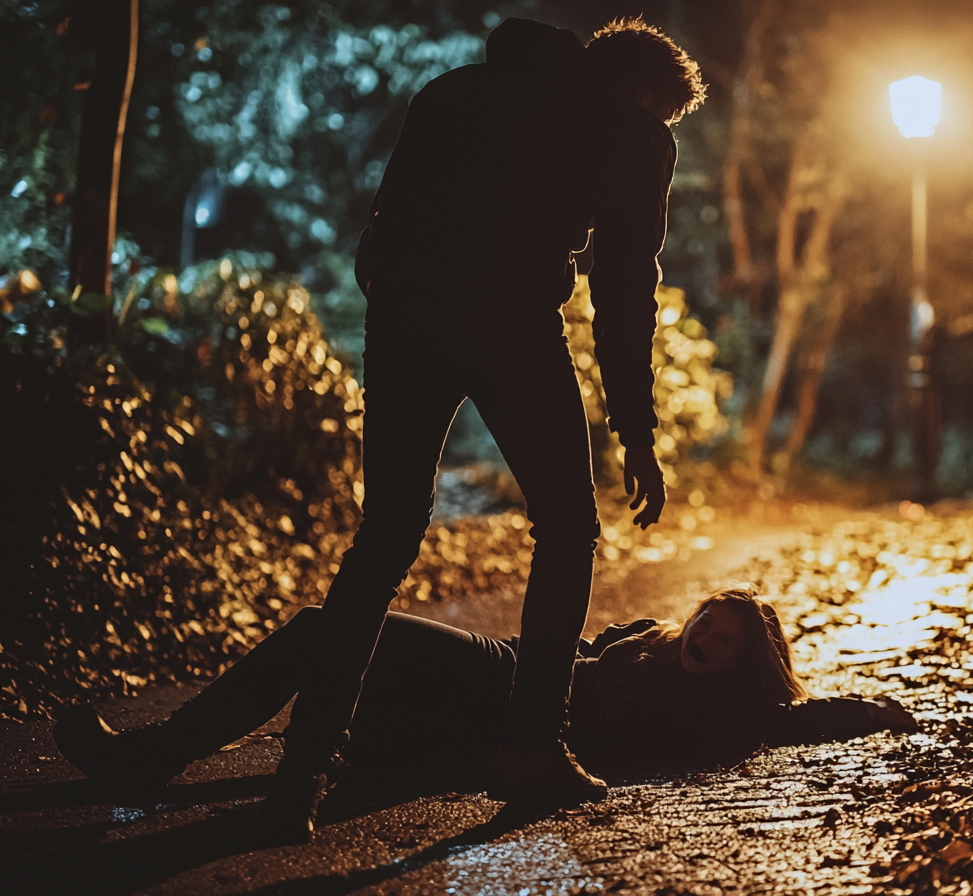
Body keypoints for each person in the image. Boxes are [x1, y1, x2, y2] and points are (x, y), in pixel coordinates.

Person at [243, 17, 705, 842]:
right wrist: (636, 431)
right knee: (566, 527)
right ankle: (531, 743)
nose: (660, 132)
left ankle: (302, 771)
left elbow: (381, 227)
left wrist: (395, 300)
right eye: (665, 115)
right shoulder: (632, 133)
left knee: (383, 536)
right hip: (515, 332)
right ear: (644, 92)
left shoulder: (453, 88)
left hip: (405, 323)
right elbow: (625, 289)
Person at [54, 590, 921, 820]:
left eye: (725, 642)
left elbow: (805, 717)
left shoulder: (727, 716)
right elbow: (578, 644)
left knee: (335, 653)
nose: (706, 639)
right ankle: (155, 753)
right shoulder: (652, 638)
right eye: (708, 622)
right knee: (331, 625)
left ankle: (159, 760)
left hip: (494, 720)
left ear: (743, 666)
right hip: (499, 665)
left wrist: (880, 708)